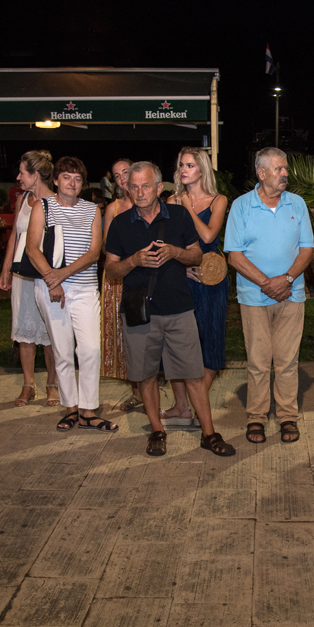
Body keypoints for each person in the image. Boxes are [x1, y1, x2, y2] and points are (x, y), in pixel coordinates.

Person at [105, 162, 234, 458]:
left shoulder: (177, 216)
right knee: (146, 374)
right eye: (134, 186)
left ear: (159, 187)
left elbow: (197, 255)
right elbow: (111, 269)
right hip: (139, 310)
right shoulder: (120, 223)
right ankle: (156, 430)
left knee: (193, 374)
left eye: (145, 185)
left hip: (178, 308)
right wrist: (134, 260)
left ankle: (209, 433)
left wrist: (175, 252)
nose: (139, 192)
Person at [224, 147, 314, 444]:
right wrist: (267, 283)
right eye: (279, 169)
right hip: (254, 297)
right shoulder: (241, 207)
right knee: (259, 362)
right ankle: (257, 417)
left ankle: (288, 416)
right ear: (261, 173)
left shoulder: (297, 204)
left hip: (292, 294)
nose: (285, 174)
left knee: (287, 361)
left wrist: (286, 279)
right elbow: (234, 256)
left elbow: (307, 249)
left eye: (285, 168)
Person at [26, 157, 117, 433]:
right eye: (66, 177)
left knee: (90, 349)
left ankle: (89, 409)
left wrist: (61, 275)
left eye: (77, 179)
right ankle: (71, 408)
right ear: (55, 180)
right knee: (63, 351)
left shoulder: (92, 210)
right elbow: (32, 248)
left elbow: (93, 252)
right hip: (50, 288)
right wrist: (52, 281)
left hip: (84, 288)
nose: (72, 183)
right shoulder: (42, 207)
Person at [161, 148, 229, 426]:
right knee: (177, 345)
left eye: (190, 164)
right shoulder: (169, 200)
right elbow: (166, 240)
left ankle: (195, 402)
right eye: (180, 165)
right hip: (182, 277)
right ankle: (181, 407)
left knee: (210, 341)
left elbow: (209, 235)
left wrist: (188, 206)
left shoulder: (218, 200)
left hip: (210, 279)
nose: (183, 169)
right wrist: (181, 266)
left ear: (202, 169)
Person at [0, 150, 58, 407]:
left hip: (46, 275)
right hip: (23, 274)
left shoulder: (57, 202)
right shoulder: (22, 199)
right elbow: (14, 235)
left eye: (22, 172)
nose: (18, 177)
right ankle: (28, 384)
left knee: (51, 331)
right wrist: (6, 269)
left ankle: (52, 385)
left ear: (35, 176)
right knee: (25, 330)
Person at [101, 158, 137, 408]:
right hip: (118, 277)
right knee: (126, 335)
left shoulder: (151, 201)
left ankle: (146, 390)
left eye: (126, 171)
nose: (122, 177)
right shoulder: (112, 208)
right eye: (116, 175)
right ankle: (137, 392)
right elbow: (105, 246)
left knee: (145, 332)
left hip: (145, 274)